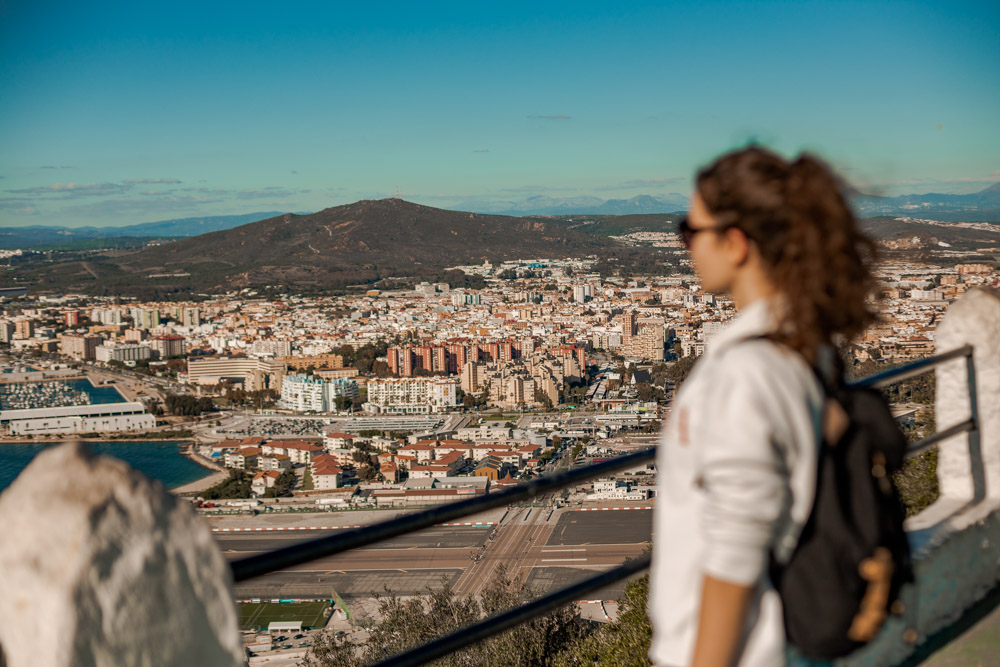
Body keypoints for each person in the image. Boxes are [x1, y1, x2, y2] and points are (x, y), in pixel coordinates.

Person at [648, 146, 879, 666]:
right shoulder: (803, 345)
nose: (684, 244)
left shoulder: (746, 373)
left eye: (690, 229)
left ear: (735, 243)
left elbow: (735, 551)